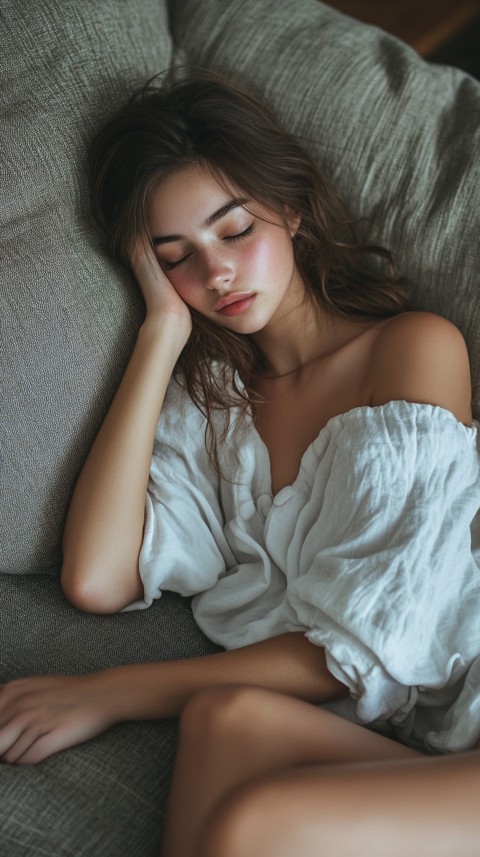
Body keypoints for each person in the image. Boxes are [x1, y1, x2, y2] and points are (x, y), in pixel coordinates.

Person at [1, 69, 480, 856]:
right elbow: (97, 576)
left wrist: (109, 692)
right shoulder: (216, 407)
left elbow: (354, 645)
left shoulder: (413, 349)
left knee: (248, 824)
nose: (215, 273)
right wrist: (160, 331)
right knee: (221, 716)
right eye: (175, 255)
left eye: (234, 230)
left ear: (290, 209)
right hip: (433, 740)